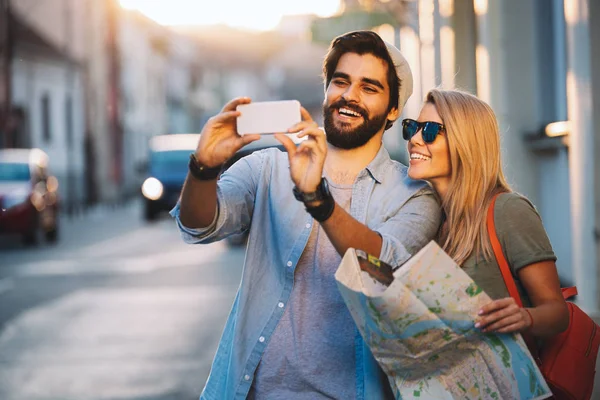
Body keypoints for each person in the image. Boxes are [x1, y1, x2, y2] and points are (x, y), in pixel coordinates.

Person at [171, 30, 441, 399]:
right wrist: (203, 167)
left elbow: (382, 264)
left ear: (394, 109)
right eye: (341, 81)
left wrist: (317, 199)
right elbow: (198, 225)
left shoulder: (414, 196)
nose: (350, 95)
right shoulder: (268, 167)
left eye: (369, 87)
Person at [403, 88, 568, 340]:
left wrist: (525, 317)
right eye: (412, 127)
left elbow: (557, 313)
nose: (414, 139)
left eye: (429, 131)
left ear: (465, 142)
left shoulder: (508, 211)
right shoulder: (428, 217)